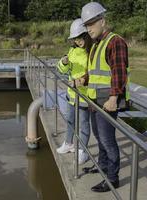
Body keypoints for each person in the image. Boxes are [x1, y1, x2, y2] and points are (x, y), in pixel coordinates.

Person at [81, 2, 130, 192]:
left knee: (108, 141)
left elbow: (119, 72)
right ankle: (102, 166)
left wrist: (113, 97)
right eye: (86, 24)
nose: (89, 28)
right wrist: (83, 79)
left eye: (92, 23)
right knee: (99, 137)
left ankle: (112, 179)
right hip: (95, 101)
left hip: (107, 102)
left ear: (103, 21)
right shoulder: (96, 45)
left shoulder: (114, 41)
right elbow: (94, 73)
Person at [56, 18, 92, 165]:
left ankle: (83, 152)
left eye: (81, 37)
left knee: (84, 123)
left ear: (87, 34)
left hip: (84, 94)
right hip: (71, 93)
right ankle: (68, 143)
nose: (78, 41)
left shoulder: (92, 51)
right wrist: (64, 62)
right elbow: (62, 69)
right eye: (76, 38)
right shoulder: (72, 50)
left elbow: (92, 73)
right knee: (70, 119)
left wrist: (80, 81)